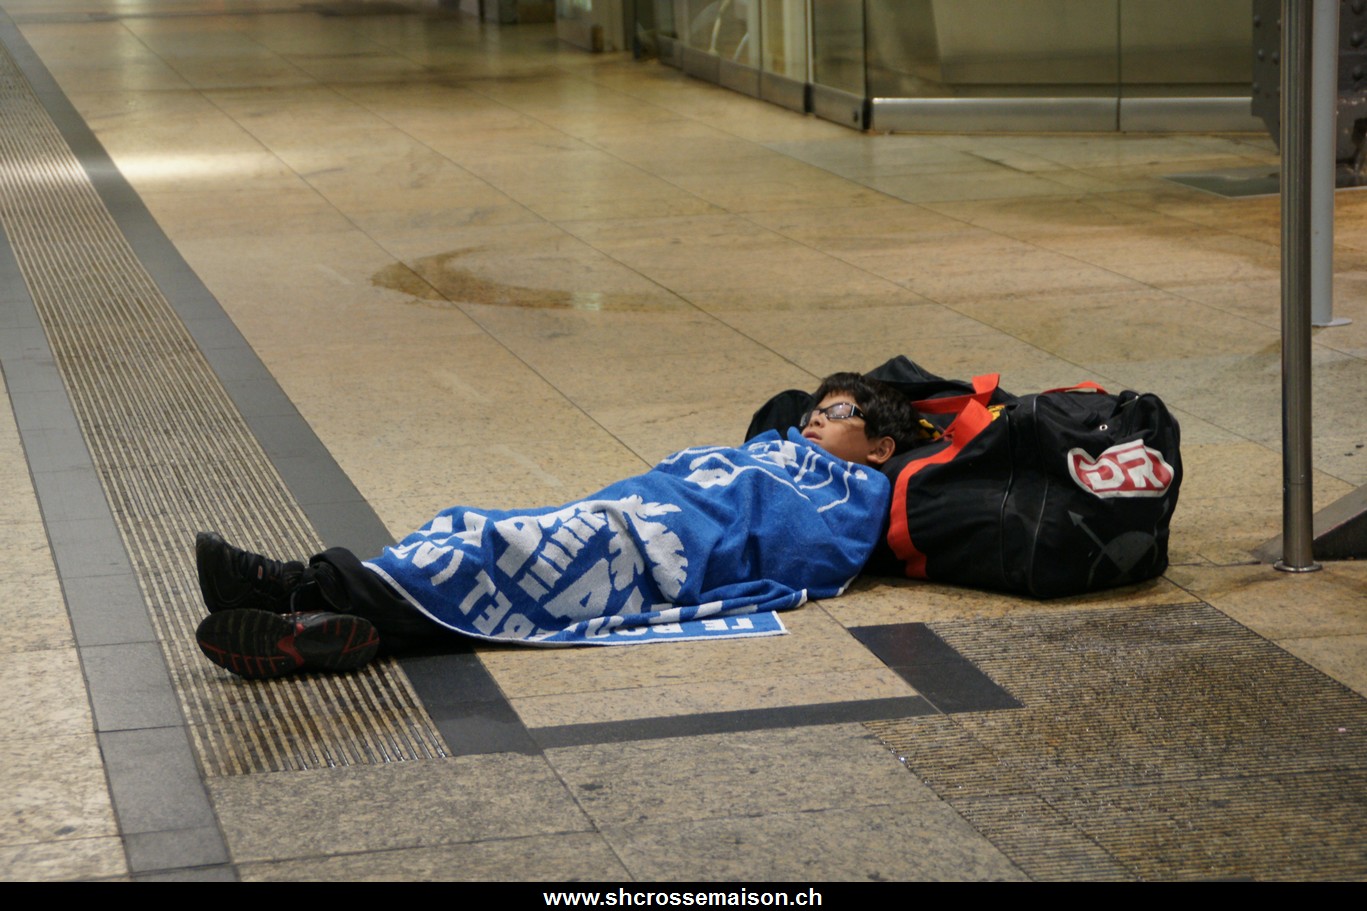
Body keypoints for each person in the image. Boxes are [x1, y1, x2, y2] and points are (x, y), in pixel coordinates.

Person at [194, 372, 922, 679]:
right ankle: (327, 619)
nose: (813, 420)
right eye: (814, 410)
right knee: (470, 528)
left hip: (664, 549)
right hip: (638, 511)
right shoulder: (776, 447)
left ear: (880, 447)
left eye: (836, 413)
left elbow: (802, 550)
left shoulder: (857, 493)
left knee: (506, 553)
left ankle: (299, 588)